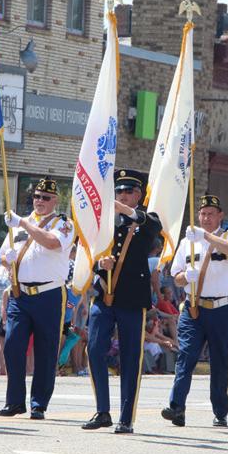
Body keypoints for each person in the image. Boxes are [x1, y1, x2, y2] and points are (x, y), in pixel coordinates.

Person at [82, 169, 162, 434]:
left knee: (130, 357)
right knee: (93, 349)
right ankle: (102, 411)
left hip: (131, 298)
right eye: (118, 191)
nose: (122, 196)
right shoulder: (103, 221)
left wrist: (119, 208)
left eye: (128, 191)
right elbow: (87, 253)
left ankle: (126, 417)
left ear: (138, 194)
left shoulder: (148, 219)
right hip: (104, 295)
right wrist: (97, 263)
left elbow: (149, 226)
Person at [0, 177, 76, 420]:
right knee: (12, 346)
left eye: (45, 197)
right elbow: (3, 255)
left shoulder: (63, 224)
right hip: (21, 295)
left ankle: (39, 403)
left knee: (46, 350)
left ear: (56, 200)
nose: (39, 201)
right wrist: (7, 259)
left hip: (49, 294)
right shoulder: (20, 224)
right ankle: (15, 401)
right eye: (36, 196)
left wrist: (23, 222)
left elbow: (51, 243)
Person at [162, 194, 228, 428]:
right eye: (202, 213)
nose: (206, 217)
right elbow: (175, 277)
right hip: (193, 307)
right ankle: (177, 407)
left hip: (221, 307)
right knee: (185, 356)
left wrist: (205, 236)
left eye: (210, 214)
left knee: (219, 360)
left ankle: (220, 411)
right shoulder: (188, 241)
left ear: (220, 216)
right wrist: (184, 277)